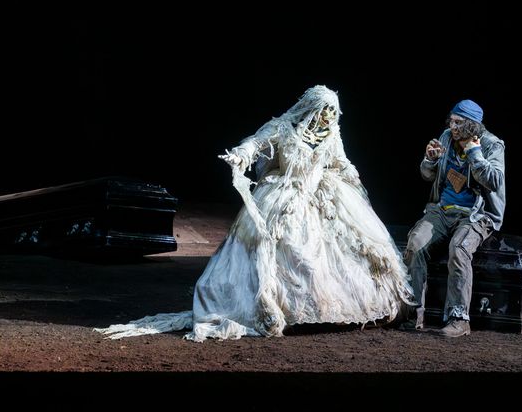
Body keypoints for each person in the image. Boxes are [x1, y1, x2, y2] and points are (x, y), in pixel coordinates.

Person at [95, 85, 414, 341]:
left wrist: (351, 182)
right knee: (282, 251)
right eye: (325, 110)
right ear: (311, 109)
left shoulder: (331, 135)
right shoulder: (284, 129)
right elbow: (256, 143)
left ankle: (322, 312)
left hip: (319, 195)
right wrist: (240, 155)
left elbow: (339, 161)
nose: (330, 116)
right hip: (283, 194)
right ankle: (279, 310)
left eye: (334, 111)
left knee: (339, 254)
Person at [402, 99, 505, 338]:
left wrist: (475, 154)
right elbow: (428, 176)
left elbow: (495, 182)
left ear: (471, 124)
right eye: (451, 120)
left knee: (458, 248)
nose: (452, 125)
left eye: (458, 122)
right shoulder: (447, 137)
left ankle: (459, 319)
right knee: (415, 244)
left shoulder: (491, 145)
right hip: (442, 209)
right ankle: (412, 313)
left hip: (476, 215)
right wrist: (431, 160)